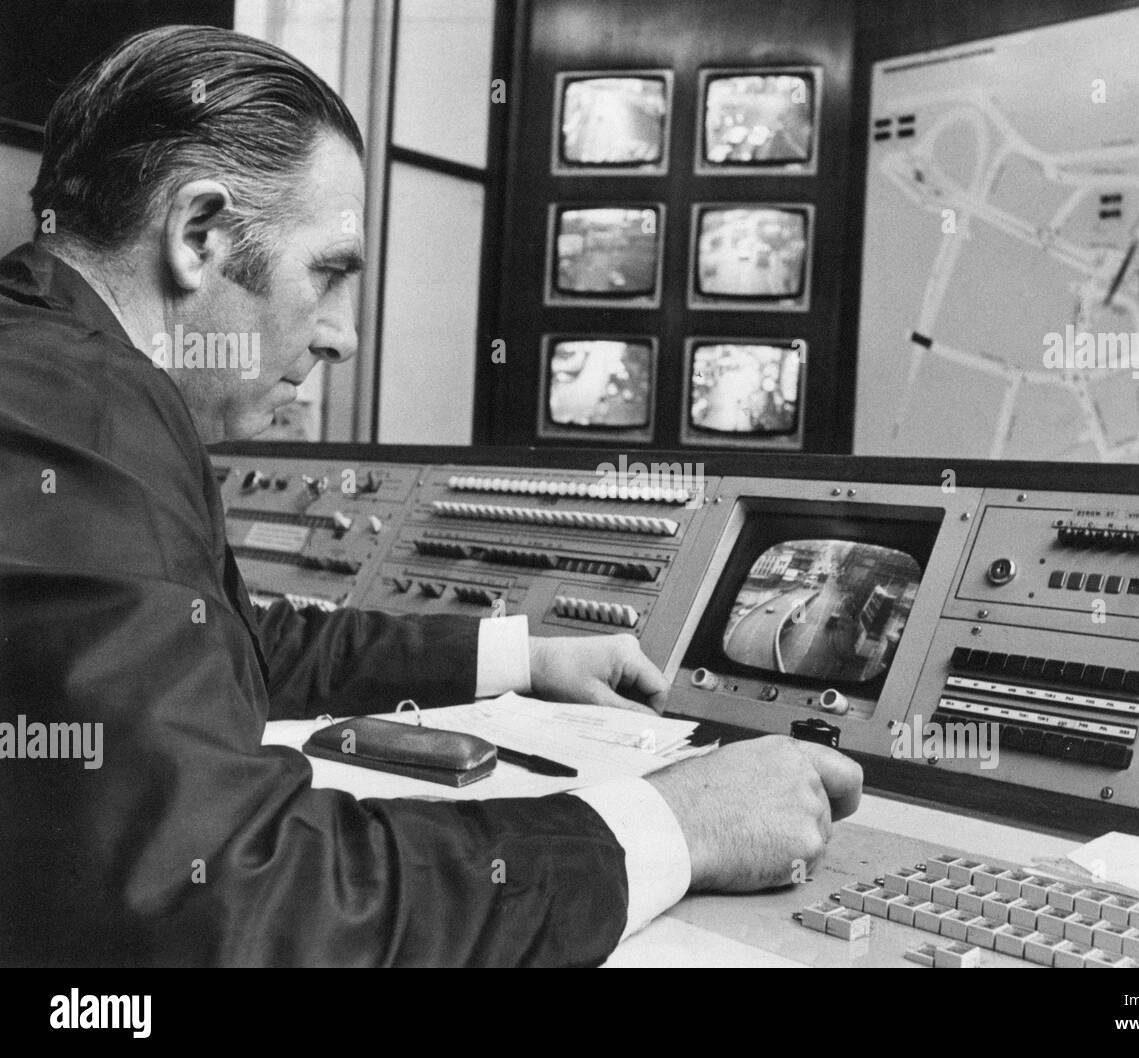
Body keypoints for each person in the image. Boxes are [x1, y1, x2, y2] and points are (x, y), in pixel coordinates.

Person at [0, 25, 862, 967]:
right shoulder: (81, 417)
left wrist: (515, 656)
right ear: (198, 235)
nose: (342, 338)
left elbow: (236, 646)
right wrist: (672, 824)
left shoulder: (57, 374)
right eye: (328, 272)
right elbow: (233, 905)